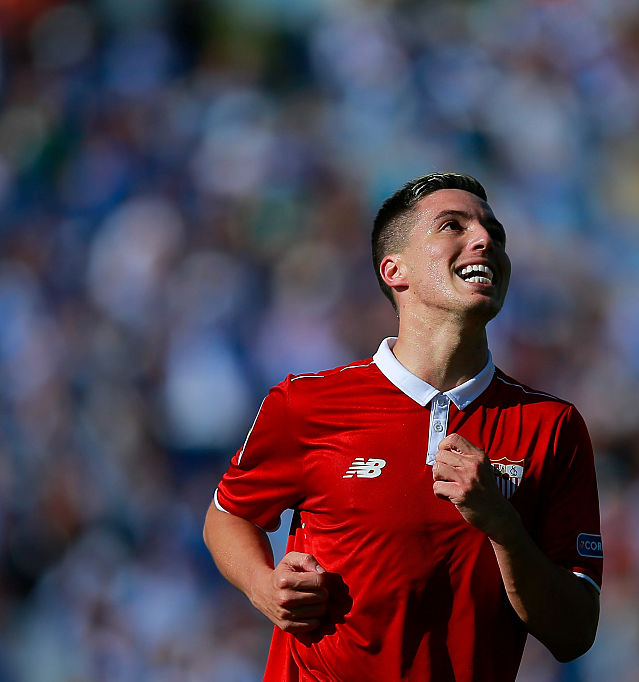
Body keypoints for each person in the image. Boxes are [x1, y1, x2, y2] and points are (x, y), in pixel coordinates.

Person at [203, 172, 603, 681]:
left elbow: (574, 632)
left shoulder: (552, 426)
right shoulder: (305, 403)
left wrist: (503, 527)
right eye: (453, 226)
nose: (484, 239)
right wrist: (264, 587)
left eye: (495, 233)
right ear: (395, 270)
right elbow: (227, 516)